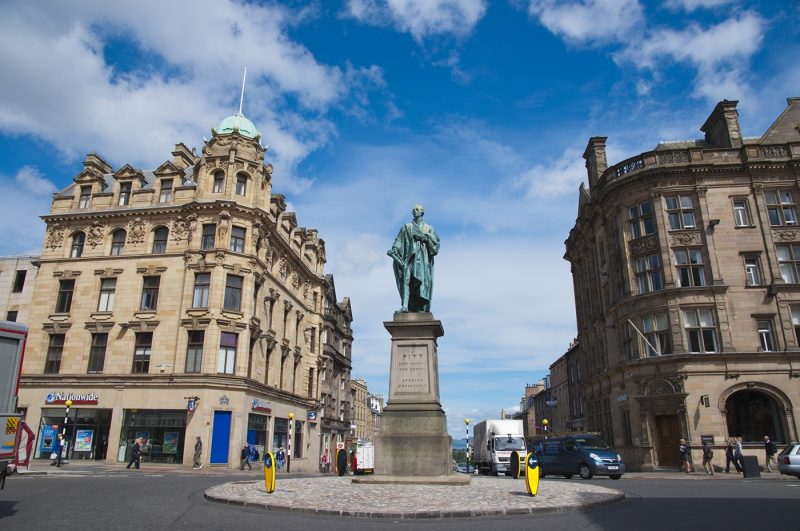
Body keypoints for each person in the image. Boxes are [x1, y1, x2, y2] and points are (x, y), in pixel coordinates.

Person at [387, 204, 440, 313]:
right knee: (406, 280)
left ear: (422, 213)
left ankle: (420, 306)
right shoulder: (406, 227)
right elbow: (399, 241)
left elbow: (436, 245)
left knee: (421, 283)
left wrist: (425, 238)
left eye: (417, 209)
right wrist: (395, 249)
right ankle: (405, 306)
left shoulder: (428, 228)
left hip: (423, 261)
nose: (415, 211)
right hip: (409, 258)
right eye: (414, 210)